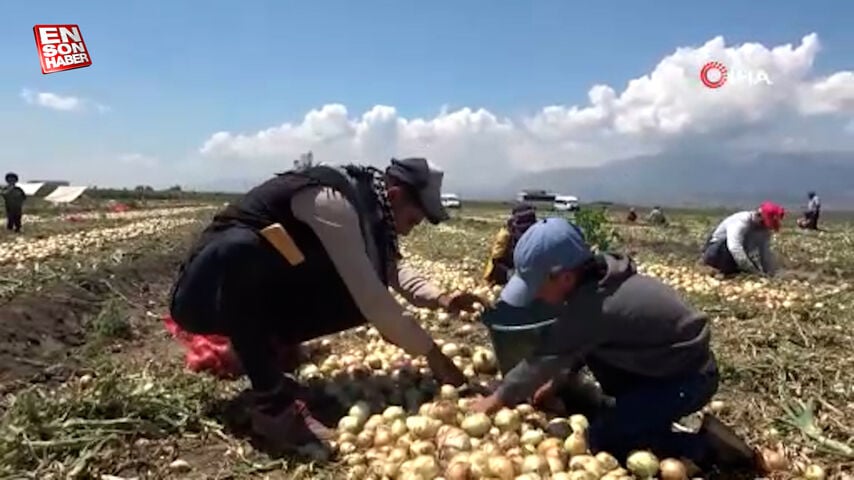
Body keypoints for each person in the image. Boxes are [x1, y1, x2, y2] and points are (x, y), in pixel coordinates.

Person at [168, 157, 486, 452]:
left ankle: (266, 350)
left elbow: (391, 270)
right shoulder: (334, 204)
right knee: (242, 248)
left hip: (252, 296)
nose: (408, 229)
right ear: (395, 194)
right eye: (413, 219)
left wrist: (443, 298)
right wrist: (433, 355)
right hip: (203, 295)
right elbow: (374, 297)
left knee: (353, 298)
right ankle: (272, 407)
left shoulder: (375, 213)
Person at [472, 218, 765, 474]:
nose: (534, 293)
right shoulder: (600, 281)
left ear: (565, 276)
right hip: (669, 366)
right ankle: (645, 419)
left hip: (688, 379)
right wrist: (559, 379)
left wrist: (496, 399)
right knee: (613, 401)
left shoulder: (594, 307)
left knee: (605, 439)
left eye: (537, 285)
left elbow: (542, 359)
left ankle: (708, 447)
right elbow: (579, 346)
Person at [702, 202, 783, 277]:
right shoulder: (741, 222)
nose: (764, 227)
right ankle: (717, 269)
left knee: (747, 261)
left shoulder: (763, 230)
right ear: (758, 215)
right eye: (764, 223)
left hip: (736, 256)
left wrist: (769, 272)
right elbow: (734, 247)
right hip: (717, 252)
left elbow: (765, 252)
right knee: (726, 248)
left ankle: (733, 271)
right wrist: (753, 271)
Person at [483, 203, 537, 286]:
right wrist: (510, 274)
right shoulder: (506, 235)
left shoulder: (536, 235)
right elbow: (496, 260)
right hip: (504, 275)